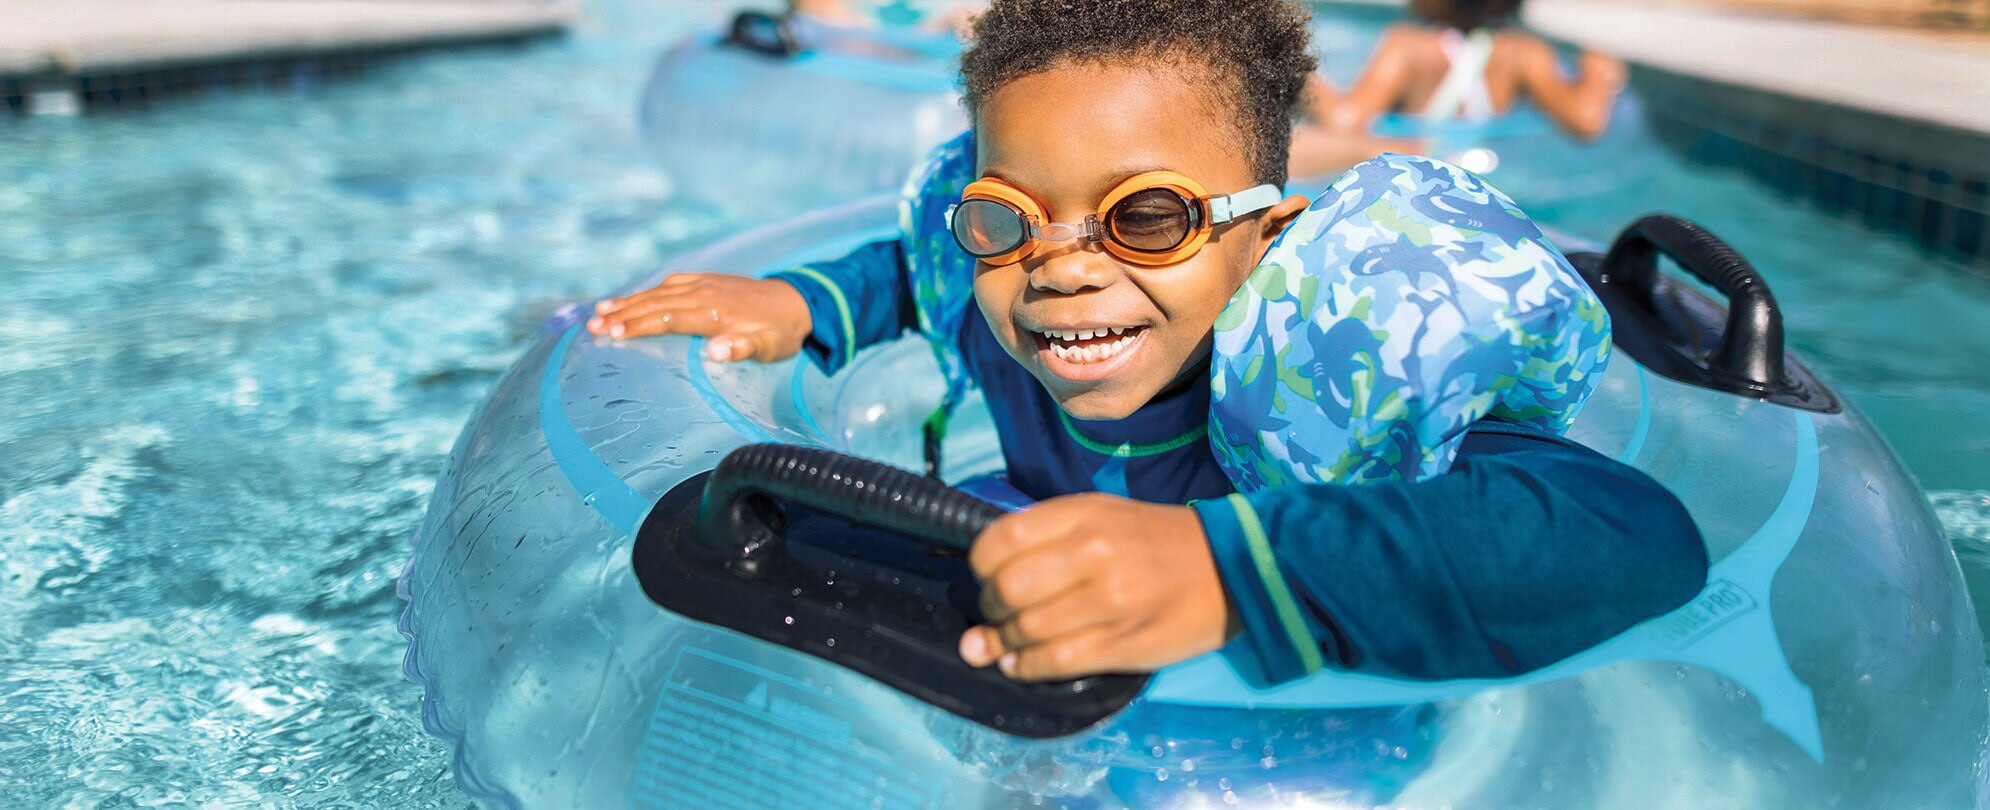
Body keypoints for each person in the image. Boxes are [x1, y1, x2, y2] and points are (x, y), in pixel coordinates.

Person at [590, 0, 1704, 688]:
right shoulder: (1005, 306)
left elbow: (1630, 534)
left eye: (1148, 217)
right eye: (1006, 219)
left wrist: (1221, 572)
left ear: (1263, 237)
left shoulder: (1346, 371)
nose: (1061, 268)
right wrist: (803, 305)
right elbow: (914, 278)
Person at [1288, 0, 1627, 178]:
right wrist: (1597, 73)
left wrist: (1299, 66)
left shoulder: (1409, 47)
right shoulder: (1525, 53)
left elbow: (1345, 122)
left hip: (1415, 164)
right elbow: (1586, 122)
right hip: (1489, 171)